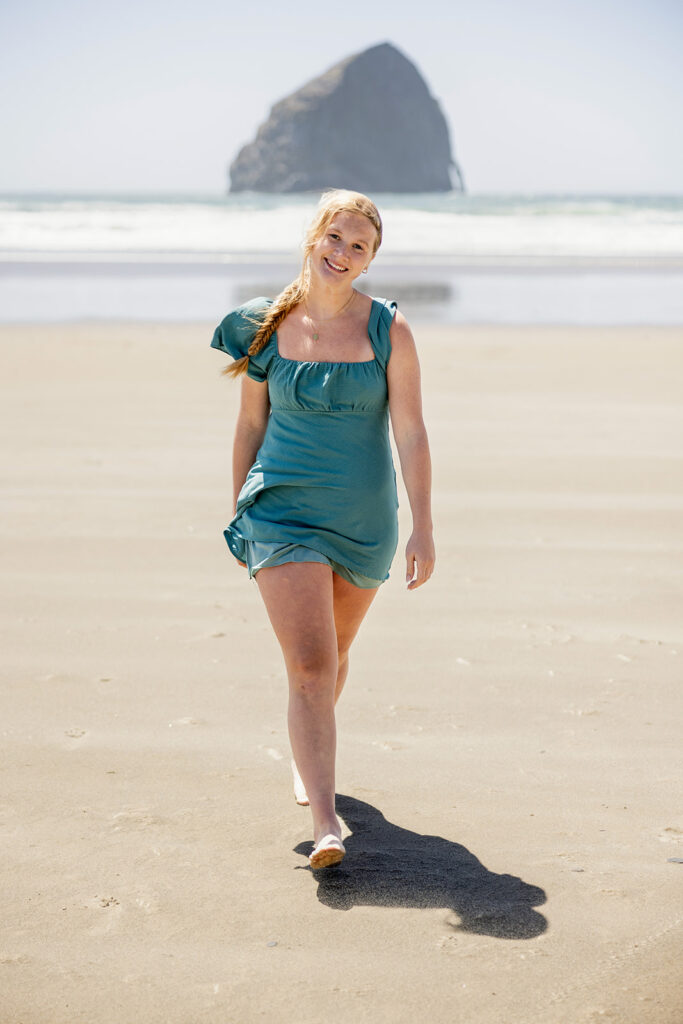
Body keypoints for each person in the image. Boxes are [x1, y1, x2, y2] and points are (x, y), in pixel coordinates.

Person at [211, 189, 434, 869]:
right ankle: (326, 820)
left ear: (368, 262)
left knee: (330, 659)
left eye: (357, 246)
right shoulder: (259, 325)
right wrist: (240, 515)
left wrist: (423, 526)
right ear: (312, 238)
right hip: (279, 510)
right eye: (333, 238)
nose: (341, 253)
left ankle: (306, 758)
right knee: (309, 667)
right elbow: (250, 424)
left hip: (362, 519)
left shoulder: (387, 331)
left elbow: (411, 431)